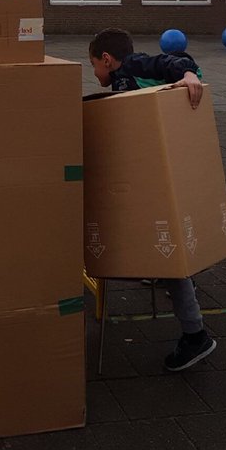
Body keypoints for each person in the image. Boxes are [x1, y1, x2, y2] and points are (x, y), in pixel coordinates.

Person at [88, 27, 215, 371]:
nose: (95, 74)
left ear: (107, 60)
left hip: (156, 180)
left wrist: (187, 74)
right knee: (164, 248)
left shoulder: (133, 66)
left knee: (171, 254)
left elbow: (174, 61)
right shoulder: (122, 78)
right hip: (150, 176)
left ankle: (195, 335)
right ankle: (162, 272)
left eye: (94, 67)